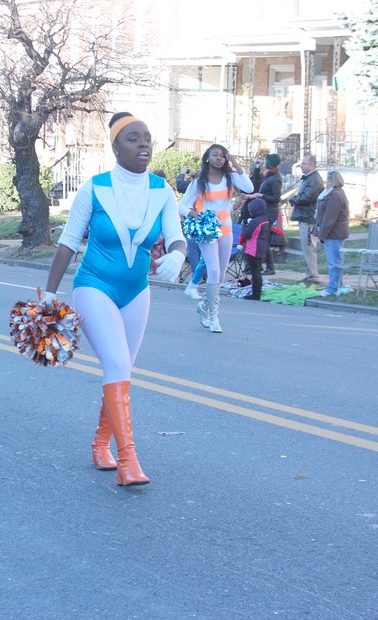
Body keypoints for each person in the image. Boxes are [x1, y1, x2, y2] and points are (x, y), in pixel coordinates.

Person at [44, 112, 186, 486]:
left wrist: (177, 254)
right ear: (115, 146)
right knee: (118, 362)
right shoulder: (94, 188)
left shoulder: (161, 190)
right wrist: (49, 293)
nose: (144, 145)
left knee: (121, 369)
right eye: (133, 138)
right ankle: (128, 461)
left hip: (137, 291)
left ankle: (99, 445)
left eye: (148, 138)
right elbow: (68, 243)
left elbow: (175, 234)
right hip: (94, 286)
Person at [178, 144, 253, 332]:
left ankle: (204, 306)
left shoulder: (230, 177)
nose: (219, 158)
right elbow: (182, 206)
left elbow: (249, 187)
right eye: (215, 155)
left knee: (220, 273)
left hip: (226, 229)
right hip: (206, 230)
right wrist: (194, 214)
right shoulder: (199, 182)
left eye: (222, 156)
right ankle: (214, 318)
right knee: (213, 269)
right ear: (207, 158)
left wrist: (236, 163)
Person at [288, 154, 323, 285]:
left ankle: (313, 276)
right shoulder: (308, 178)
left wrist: (292, 199)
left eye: (304, 164)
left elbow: (306, 198)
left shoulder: (314, 179)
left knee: (309, 247)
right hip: (304, 216)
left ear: (312, 165)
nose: (301, 166)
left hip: (309, 218)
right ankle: (309, 275)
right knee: (306, 247)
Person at [246, 154, 283, 275]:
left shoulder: (275, 178)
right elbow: (256, 183)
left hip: (270, 211)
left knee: (263, 239)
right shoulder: (269, 175)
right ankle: (259, 266)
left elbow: (276, 198)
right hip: (264, 210)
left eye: (266, 161)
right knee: (261, 239)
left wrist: (261, 196)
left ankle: (270, 267)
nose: (264, 162)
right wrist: (257, 168)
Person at [315, 170, 350, 297]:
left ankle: (332, 288)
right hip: (335, 232)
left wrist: (322, 235)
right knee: (337, 260)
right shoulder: (335, 193)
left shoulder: (335, 195)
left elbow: (330, 218)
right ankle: (338, 285)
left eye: (328, 181)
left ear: (332, 181)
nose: (326, 183)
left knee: (334, 261)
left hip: (334, 233)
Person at [238, 198, 270, 300]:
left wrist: (244, 226)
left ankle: (255, 294)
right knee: (257, 272)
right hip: (261, 248)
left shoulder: (255, 221)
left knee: (255, 272)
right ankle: (257, 291)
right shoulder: (265, 219)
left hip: (253, 249)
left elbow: (247, 234)